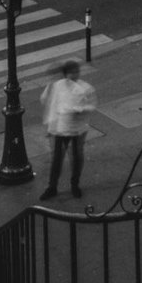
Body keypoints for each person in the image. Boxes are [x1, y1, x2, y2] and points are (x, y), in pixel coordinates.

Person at [38, 60, 96, 200]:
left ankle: (74, 185)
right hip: (60, 128)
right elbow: (45, 99)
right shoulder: (56, 86)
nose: (75, 75)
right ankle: (53, 187)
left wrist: (80, 110)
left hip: (77, 129)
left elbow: (91, 105)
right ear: (65, 74)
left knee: (76, 157)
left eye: (77, 72)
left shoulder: (85, 88)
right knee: (57, 159)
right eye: (72, 73)